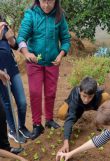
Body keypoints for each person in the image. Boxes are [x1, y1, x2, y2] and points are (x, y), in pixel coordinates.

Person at [17, 0, 71, 140]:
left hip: (53, 62)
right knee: (35, 92)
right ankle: (36, 124)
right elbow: (21, 37)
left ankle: (49, 120)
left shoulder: (59, 16)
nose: (46, 5)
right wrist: (26, 53)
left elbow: (65, 39)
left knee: (51, 92)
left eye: (50, 2)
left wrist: (61, 55)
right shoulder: (31, 15)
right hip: (34, 62)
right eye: (43, 1)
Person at [57, 76, 109, 152]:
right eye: (84, 96)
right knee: (62, 113)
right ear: (80, 92)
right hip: (77, 105)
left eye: (90, 97)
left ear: (94, 93)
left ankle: (100, 119)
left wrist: (100, 118)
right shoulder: (75, 96)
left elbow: (102, 90)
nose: (86, 100)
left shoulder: (98, 92)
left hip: (91, 106)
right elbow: (70, 118)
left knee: (106, 96)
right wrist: (66, 142)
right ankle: (76, 112)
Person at [0, 18, 32, 144]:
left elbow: (15, 45)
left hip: (12, 69)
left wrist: (11, 38)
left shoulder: (3, 26)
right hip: (0, 74)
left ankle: (22, 127)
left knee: (22, 102)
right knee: (7, 103)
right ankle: (13, 131)